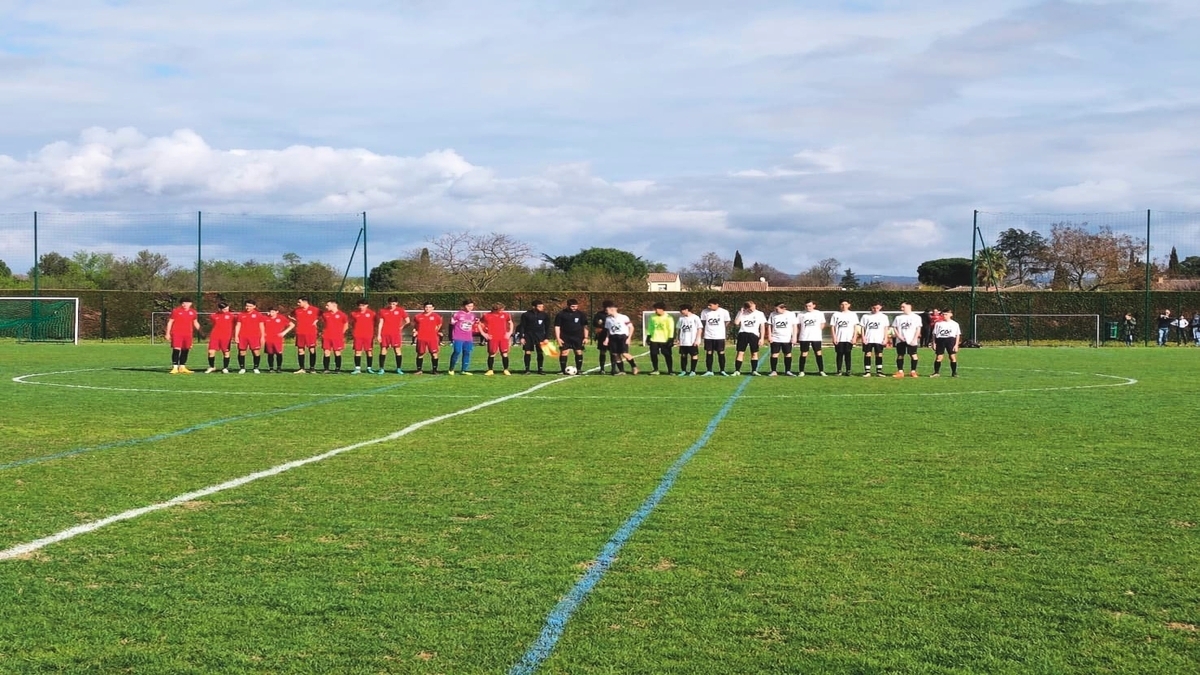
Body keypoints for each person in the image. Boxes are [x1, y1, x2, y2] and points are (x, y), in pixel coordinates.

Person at [602, 300, 639, 375]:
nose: (606, 311)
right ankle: (622, 371)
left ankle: (634, 367)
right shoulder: (608, 319)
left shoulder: (623, 317)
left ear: (611, 309)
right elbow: (608, 330)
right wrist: (607, 338)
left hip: (622, 337)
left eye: (607, 310)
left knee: (624, 354)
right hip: (613, 337)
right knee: (615, 354)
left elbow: (631, 327)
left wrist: (629, 338)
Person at [554, 299, 589, 375]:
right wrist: (558, 338)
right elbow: (557, 326)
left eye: (576, 306)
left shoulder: (581, 314)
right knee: (564, 352)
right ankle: (563, 370)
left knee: (578, 351)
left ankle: (579, 370)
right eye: (573, 306)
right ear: (568, 306)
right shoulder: (561, 314)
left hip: (578, 337)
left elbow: (585, 326)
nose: (574, 308)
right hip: (565, 337)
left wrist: (586, 337)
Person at [165, 298, 200, 374]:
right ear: (181, 304)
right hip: (177, 333)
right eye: (184, 303)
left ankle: (182, 366)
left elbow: (195, 322)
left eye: (188, 303)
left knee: (186, 349)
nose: (186, 305)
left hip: (188, 334)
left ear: (191, 304)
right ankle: (175, 367)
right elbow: (170, 322)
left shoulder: (193, 312)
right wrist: (167, 333)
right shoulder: (176, 311)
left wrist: (201, 331)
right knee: (176, 349)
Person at [375, 297, 410, 374]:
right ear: (388, 303)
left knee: (397, 350)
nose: (392, 305)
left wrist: (401, 327)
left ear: (396, 303)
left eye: (393, 303)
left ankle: (398, 369)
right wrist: (378, 335)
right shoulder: (383, 311)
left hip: (395, 334)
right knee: (383, 350)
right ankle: (381, 369)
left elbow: (408, 321)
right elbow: (380, 323)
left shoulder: (400, 310)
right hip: (385, 333)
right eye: (390, 303)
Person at [732, 301, 767, 375]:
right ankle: (737, 370)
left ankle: (754, 370)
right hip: (743, 334)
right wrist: (741, 313)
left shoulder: (760, 314)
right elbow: (736, 323)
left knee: (754, 353)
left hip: (754, 335)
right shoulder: (741, 313)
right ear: (746, 308)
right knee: (740, 353)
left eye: (753, 307)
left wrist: (762, 338)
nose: (752, 310)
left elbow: (762, 326)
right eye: (750, 309)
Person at [232, 300, 267, 374]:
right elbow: (238, 325)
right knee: (242, 352)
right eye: (247, 306)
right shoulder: (241, 315)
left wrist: (262, 336)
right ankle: (242, 368)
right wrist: (236, 336)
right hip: (243, 336)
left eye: (250, 306)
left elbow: (261, 326)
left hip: (255, 336)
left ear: (254, 307)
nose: (248, 307)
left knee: (256, 352)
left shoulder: (258, 315)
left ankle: (256, 368)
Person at [479, 302, 515, 375]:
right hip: (492, 337)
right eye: (501, 309)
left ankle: (506, 370)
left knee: (504, 353)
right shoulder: (487, 315)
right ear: (496, 309)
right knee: (492, 353)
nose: (502, 311)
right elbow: (479, 324)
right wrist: (483, 334)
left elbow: (510, 323)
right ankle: (490, 370)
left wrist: (510, 332)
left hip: (503, 337)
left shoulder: (505, 315)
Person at [699, 298, 732, 376]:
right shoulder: (705, 311)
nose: (709, 306)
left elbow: (727, 321)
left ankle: (722, 370)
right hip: (708, 336)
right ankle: (709, 370)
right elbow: (703, 322)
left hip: (719, 336)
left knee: (721, 352)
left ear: (717, 304)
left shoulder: (724, 312)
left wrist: (721, 328)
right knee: (709, 352)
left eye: (710, 305)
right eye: (708, 305)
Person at [766, 302, 798, 377]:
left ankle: (788, 371)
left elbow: (795, 326)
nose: (776, 310)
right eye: (775, 309)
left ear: (784, 308)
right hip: (776, 338)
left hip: (787, 338)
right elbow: (769, 326)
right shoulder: (772, 314)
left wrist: (794, 337)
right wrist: (770, 336)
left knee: (787, 354)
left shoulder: (791, 314)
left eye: (777, 309)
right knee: (774, 354)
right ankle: (773, 371)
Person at [891, 302, 922, 378]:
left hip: (912, 340)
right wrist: (899, 337)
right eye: (901, 307)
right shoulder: (898, 318)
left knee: (913, 355)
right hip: (901, 340)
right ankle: (900, 372)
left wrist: (915, 339)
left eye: (903, 307)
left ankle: (913, 371)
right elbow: (894, 327)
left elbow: (918, 328)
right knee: (900, 355)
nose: (901, 309)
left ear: (909, 306)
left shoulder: (916, 317)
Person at [795, 301, 826, 376]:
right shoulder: (801, 314)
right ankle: (801, 371)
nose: (808, 307)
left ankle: (821, 371)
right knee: (804, 353)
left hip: (816, 337)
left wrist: (817, 331)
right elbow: (798, 325)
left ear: (814, 306)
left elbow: (823, 323)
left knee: (818, 353)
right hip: (804, 337)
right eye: (806, 306)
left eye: (809, 306)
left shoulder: (819, 313)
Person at [519, 300, 551, 374]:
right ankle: (527, 370)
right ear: (534, 307)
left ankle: (540, 369)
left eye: (542, 306)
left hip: (540, 336)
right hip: (528, 335)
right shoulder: (526, 315)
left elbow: (547, 327)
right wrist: (522, 337)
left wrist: (546, 338)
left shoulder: (544, 315)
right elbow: (522, 326)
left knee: (540, 352)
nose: (541, 308)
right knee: (527, 351)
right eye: (539, 306)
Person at [448, 300, 478, 376]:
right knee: (457, 351)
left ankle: (464, 370)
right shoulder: (457, 314)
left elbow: (472, 325)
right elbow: (451, 325)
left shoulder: (472, 315)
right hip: (458, 336)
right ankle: (451, 369)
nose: (470, 308)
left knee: (467, 352)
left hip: (468, 337)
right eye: (468, 306)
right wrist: (451, 337)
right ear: (464, 306)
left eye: (471, 306)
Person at [859, 302, 889, 377]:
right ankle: (867, 372)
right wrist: (863, 337)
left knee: (879, 354)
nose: (875, 310)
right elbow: (862, 328)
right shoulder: (865, 316)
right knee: (868, 354)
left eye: (877, 308)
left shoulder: (884, 317)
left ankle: (879, 371)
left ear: (880, 307)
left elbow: (886, 328)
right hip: (868, 339)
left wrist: (885, 338)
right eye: (874, 308)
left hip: (879, 339)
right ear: (871, 307)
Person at [828, 299, 858, 377]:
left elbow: (855, 327)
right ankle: (839, 371)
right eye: (842, 304)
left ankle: (848, 370)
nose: (844, 306)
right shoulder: (836, 314)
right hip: (839, 338)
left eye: (845, 304)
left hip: (849, 339)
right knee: (839, 354)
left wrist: (854, 337)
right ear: (839, 305)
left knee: (848, 354)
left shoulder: (853, 314)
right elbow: (832, 327)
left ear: (849, 305)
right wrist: (834, 337)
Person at [412, 301, 444, 374]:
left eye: (429, 307)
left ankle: (435, 370)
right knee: (420, 353)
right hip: (421, 338)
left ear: (433, 308)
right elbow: (415, 326)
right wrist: (415, 331)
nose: (428, 309)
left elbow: (439, 324)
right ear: (423, 307)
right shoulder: (418, 316)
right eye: (426, 307)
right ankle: (419, 370)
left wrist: (435, 331)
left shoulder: (436, 316)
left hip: (432, 338)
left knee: (434, 353)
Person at [645, 302, 676, 375]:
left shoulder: (668, 317)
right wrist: (648, 336)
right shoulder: (652, 317)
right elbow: (650, 327)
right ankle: (655, 369)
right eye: (655, 309)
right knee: (653, 354)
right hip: (654, 339)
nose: (656, 311)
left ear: (662, 309)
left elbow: (671, 328)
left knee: (667, 355)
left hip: (664, 340)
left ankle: (670, 370)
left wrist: (671, 338)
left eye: (657, 309)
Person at [291, 297, 321, 373]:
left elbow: (322, 314)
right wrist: (297, 321)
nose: (298, 304)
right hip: (300, 332)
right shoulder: (297, 310)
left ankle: (312, 368)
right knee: (300, 350)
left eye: (299, 302)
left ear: (305, 302)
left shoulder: (314, 309)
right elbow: (290, 316)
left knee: (312, 349)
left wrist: (316, 321)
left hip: (311, 333)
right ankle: (301, 368)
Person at [205, 301, 236, 373]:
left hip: (226, 337)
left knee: (226, 352)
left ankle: (225, 368)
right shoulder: (213, 316)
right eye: (224, 309)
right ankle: (212, 367)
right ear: (219, 309)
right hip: (215, 336)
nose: (226, 310)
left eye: (227, 309)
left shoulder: (232, 316)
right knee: (211, 352)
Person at [931, 309, 962, 378]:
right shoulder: (938, 323)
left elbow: (957, 335)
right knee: (939, 357)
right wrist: (934, 343)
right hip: (940, 340)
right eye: (943, 314)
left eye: (946, 314)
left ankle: (954, 373)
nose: (944, 316)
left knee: (952, 357)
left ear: (951, 315)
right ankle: (936, 372)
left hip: (950, 340)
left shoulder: (955, 324)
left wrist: (956, 345)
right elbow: (934, 334)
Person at [263, 307, 295, 373]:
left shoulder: (281, 318)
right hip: (268, 339)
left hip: (278, 339)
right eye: (270, 312)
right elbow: (260, 326)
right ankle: (271, 368)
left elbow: (292, 325)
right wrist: (263, 333)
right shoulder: (265, 318)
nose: (271, 313)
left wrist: (284, 332)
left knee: (279, 353)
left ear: (277, 311)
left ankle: (279, 368)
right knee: (270, 354)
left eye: (273, 312)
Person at [349, 299, 377, 374]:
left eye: (363, 305)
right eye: (360, 305)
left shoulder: (372, 313)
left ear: (367, 305)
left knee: (369, 352)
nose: (361, 307)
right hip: (358, 336)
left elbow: (375, 323)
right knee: (357, 352)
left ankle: (369, 368)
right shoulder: (354, 313)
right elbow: (351, 324)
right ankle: (357, 368)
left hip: (368, 336)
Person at [321, 300, 349, 373]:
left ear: (334, 305)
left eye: (328, 305)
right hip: (327, 337)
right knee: (326, 352)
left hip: (337, 337)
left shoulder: (342, 315)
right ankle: (326, 369)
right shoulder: (325, 314)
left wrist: (340, 333)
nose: (326, 307)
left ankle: (337, 369)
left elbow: (346, 326)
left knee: (337, 352)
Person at [675, 304, 703, 376]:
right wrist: (678, 339)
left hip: (692, 341)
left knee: (694, 355)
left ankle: (692, 371)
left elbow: (699, 329)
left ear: (687, 310)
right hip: (683, 341)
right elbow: (678, 329)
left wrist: (697, 339)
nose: (681, 311)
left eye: (682, 310)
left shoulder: (695, 318)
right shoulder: (681, 318)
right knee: (683, 355)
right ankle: (683, 370)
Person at [592, 305, 611, 374]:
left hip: (612, 335)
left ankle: (613, 369)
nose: (607, 310)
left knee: (613, 352)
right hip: (602, 335)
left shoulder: (613, 315)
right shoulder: (599, 314)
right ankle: (602, 369)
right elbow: (595, 323)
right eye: (605, 308)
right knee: (602, 351)